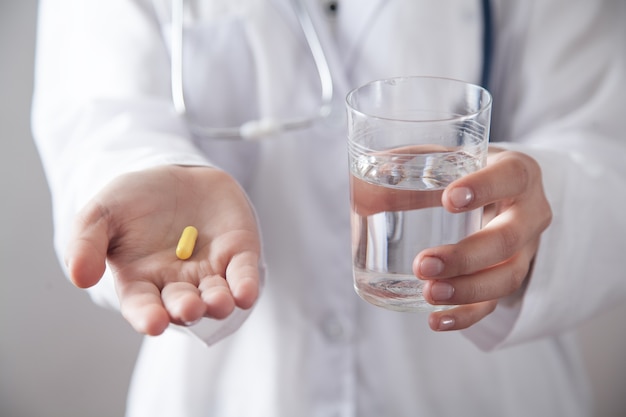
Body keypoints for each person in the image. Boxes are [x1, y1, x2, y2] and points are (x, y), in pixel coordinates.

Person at [31, 0, 626, 416]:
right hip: (240, 392)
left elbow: (609, 145)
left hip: (480, 392)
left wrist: (544, 213)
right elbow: (94, 112)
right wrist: (146, 170)